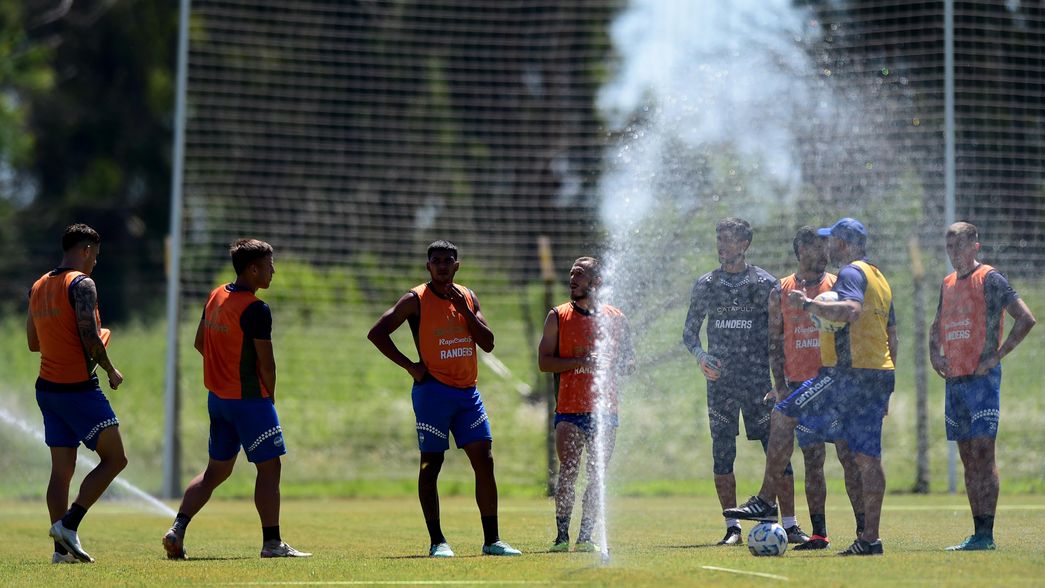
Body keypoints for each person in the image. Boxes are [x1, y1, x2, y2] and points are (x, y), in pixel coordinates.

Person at [725, 217, 898, 556]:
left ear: (844, 243)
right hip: (878, 374)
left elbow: (849, 310)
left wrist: (810, 305)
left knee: (783, 414)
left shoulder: (850, 273)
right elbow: (890, 332)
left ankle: (764, 499)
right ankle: (870, 539)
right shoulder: (879, 277)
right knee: (868, 458)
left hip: (846, 374)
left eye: (830, 241)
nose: (826, 248)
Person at [367, 240, 521, 558]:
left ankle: (492, 540)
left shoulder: (467, 296)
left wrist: (465, 311)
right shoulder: (416, 299)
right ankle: (438, 541)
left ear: (456, 265)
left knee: (485, 461)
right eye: (435, 260)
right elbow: (377, 332)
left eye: (447, 260)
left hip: (468, 393)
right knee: (431, 463)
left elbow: (488, 343)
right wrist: (411, 366)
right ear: (428, 266)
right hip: (433, 393)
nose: (441, 265)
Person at [163, 239, 310, 560]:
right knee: (270, 468)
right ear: (253, 269)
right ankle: (272, 543)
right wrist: (268, 396)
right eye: (269, 265)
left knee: (215, 472)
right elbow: (266, 363)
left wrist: (223, 370)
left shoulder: (216, 295)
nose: (274, 271)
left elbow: (200, 342)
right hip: (250, 402)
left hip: (218, 400)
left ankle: (177, 528)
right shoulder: (256, 309)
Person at [683, 217, 808, 546]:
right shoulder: (706, 284)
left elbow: (779, 336)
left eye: (729, 239)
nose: (722, 245)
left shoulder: (764, 283)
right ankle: (733, 528)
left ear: (744, 244)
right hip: (721, 385)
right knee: (723, 454)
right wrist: (700, 356)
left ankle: (792, 524)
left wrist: (777, 381)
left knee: (776, 451)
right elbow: (689, 332)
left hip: (758, 384)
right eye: (718, 239)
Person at [930, 222, 1036, 551]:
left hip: (982, 382)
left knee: (983, 454)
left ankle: (987, 534)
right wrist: (935, 355)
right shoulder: (947, 284)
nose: (954, 254)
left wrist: (998, 355)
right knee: (967, 457)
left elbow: (1026, 318)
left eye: (960, 246)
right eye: (950, 248)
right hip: (956, 382)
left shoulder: (990, 279)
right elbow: (937, 324)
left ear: (975, 245)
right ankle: (976, 533)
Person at [28, 223, 127, 564]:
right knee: (116, 458)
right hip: (77, 389)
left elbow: (33, 342)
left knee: (62, 471)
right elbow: (88, 335)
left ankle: (61, 552)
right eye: (95, 255)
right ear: (85, 250)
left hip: (48, 389)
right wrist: (110, 369)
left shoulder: (39, 285)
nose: (95, 262)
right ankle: (69, 525)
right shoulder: (82, 283)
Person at [769, 227, 864, 550]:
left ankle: (864, 531)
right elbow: (774, 341)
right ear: (799, 250)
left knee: (848, 457)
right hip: (799, 386)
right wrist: (780, 385)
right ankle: (819, 533)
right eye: (815, 248)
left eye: (826, 247)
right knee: (812, 460)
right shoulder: (781, 289)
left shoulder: (838, 284)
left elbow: (853, 330)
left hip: (834, 384)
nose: (824, 254)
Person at [538, 257, 635, 553]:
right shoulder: (558, 316)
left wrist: (627, 364)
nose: (572, 279)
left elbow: (630, 357)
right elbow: (544, 362)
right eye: (571, 274)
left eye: (579, 274)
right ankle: (561, 536)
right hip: (569, 409)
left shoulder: (616, 318)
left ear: (596, 282)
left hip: (605, 410)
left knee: (597, 474)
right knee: (568, 470)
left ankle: (586, 536)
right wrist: (581, 361)